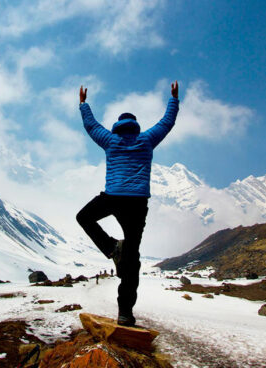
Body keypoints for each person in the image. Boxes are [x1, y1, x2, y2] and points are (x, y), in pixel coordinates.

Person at [76, 81, 180, 326]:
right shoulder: (147, 140)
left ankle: (112, 248)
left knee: (84, 218)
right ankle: (125, 313)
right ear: (135, 125)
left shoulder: (110, 140)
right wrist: (174, 99)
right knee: (132, 260)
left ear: (118, 126)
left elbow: (91, 126)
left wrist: (83, 104)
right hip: (137, 204)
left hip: (112, 196)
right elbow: (167, 123)